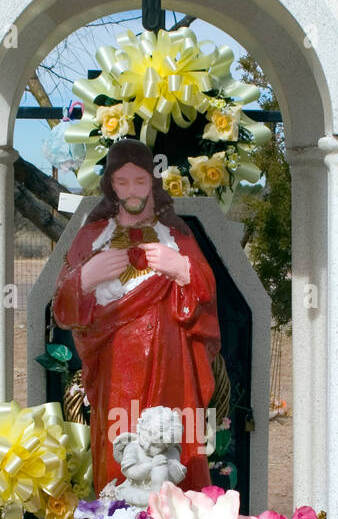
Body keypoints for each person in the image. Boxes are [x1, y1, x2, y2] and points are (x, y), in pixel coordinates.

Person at [52, 140, 221, 493]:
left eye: (140, 182)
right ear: (111, 185)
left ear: (153, 184)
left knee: (173, 440)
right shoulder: (91, 237)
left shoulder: (176, 237)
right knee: (119, 441)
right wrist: (86, 276)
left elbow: (205, 291)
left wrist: (182, 268)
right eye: (123, 182)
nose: (132, 191)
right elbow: (62, 306)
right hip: (117, 367)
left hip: (170, 364)